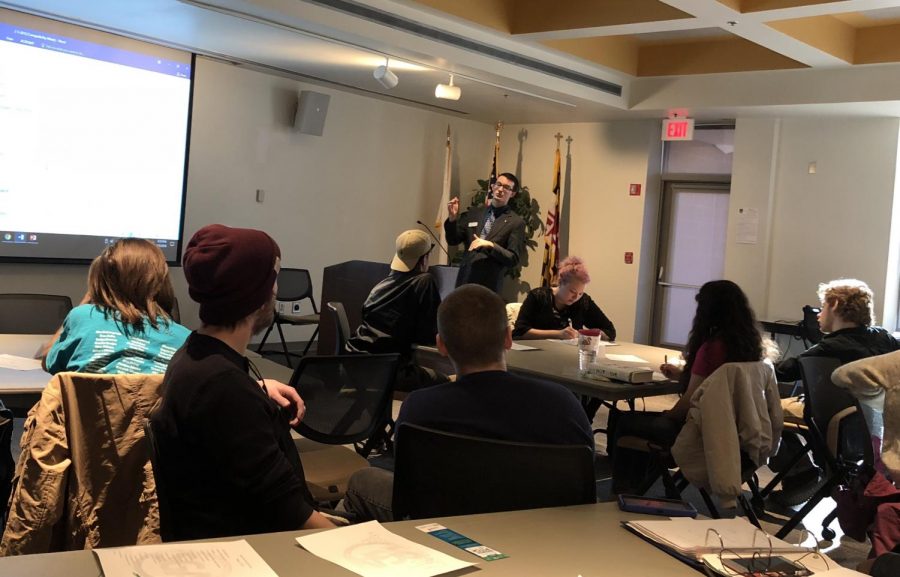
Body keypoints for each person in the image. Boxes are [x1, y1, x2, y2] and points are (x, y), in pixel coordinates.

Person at [342, 284, 594, 521]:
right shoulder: (564, 405)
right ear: (508, 337)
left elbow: (408, 491)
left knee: (362, 481)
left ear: (441, 345)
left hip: (448, 530)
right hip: (542, 531)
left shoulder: (419, 408)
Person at [150, 224, 334, 539]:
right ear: (257, 297)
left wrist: (255, 389)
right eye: (272, 282)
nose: (276, 292)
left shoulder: (195, 355)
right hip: (263, 546)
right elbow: (288, 510)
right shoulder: (223, 388)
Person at [610, 280, 767, 495]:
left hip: (702, 431)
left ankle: (625, 489)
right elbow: (715, 383)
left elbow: (688, 402)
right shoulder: (750, 347)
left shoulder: (711, 348)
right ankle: (641, 482)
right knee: (638, 421)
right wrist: (684, 375)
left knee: (624, 420)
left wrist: (667, 415)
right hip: (734, 428)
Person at [770, 279, 900, 506]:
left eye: (823, 306)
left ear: (836, 305)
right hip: (877, 430)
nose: (819, 313)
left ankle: (801, 474)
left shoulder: (829, 348)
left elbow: (783, 372)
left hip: (837, 423)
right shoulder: (885, 339)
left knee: (766, 410)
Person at [41, 238, 190, 375]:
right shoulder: (185, 339)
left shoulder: (83, 317)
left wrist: (84, 302)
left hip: (90, 405)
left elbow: (47, 361)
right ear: (159, 284)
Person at [346, 229, 446, 391]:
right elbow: (430, 334)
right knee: (446, 382)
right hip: (386, 371)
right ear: (424, 258)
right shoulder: (424, 281)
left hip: (354, 363)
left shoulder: (380, 286)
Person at [444, 172, 526, 293]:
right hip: (464, 281)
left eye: (506, 187)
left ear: (512, 194)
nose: (500, 189)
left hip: (488, 286)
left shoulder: (516, 222)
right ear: (493, 187)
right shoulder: (474, 213)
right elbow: (453, 240)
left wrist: (490, 245)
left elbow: (512, 258)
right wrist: (452, 218)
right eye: (498, 184)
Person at [513, 256, 616, 341]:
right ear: (560, 283)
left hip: (569, 356)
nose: (576, 297)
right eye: (572, 291)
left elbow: (610, 331)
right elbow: (520, 331)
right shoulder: (538, 296)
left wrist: (584, 334)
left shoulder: (583, 301)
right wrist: (558, 334)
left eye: (580, 293)